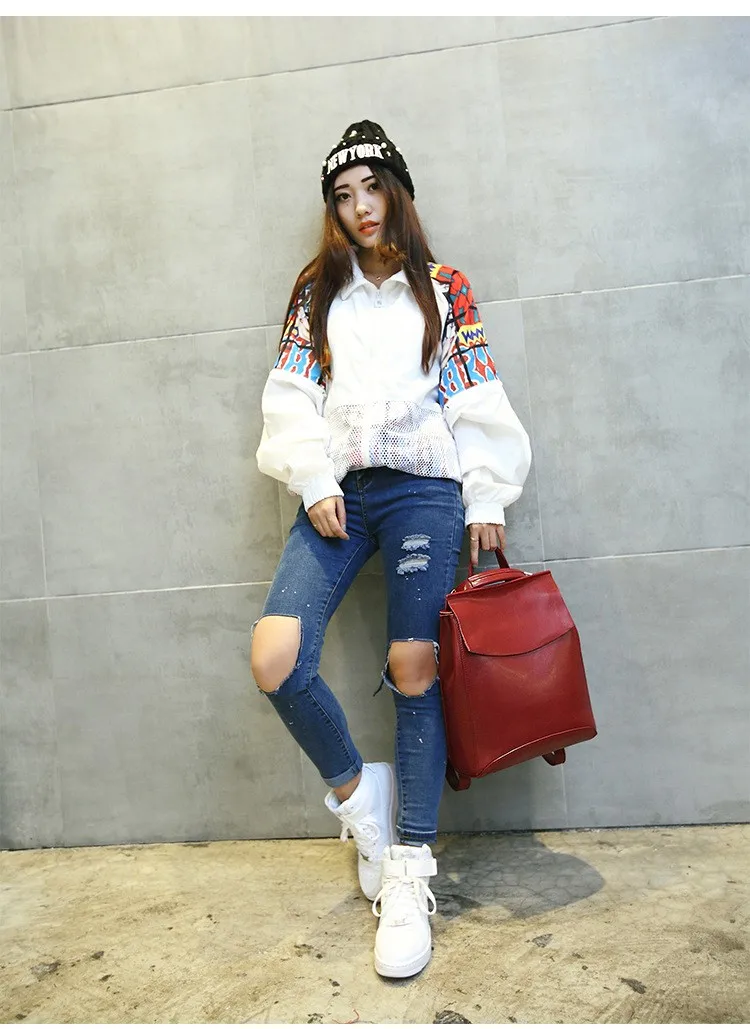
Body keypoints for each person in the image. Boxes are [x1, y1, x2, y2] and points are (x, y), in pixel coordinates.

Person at [251, 119, 531, 978]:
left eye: (372, 188)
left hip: (423, 491)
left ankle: (408, 869)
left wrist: (486, 492)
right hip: (339, 494)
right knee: (275, 656)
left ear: (397, 192)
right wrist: (312, 478)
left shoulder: (444, 288)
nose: (360, 207)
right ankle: (357, 792)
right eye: (344, 195)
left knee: (415, 668)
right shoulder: (316, 293)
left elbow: (473, 390)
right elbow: (290, 395)